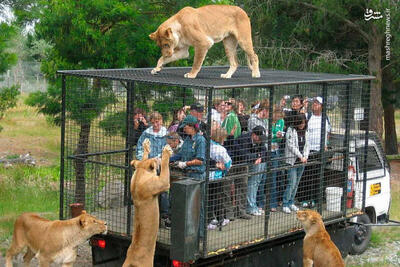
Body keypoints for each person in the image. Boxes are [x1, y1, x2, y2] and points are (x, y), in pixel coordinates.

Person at [171, 115, 207, 235]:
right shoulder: (187, 139)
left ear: (192, 127)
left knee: (197, 206)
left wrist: (185, 164)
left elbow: (200, 160)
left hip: (197, 177)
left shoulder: (200, 140)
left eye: (185, 127)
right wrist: (165, 158)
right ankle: (188, 232)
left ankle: (199, 233)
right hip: (186, 176)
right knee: (186, 205)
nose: (184, 129)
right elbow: (180, 155)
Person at [301, 96, 331, 207]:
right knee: (307, 175)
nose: (315, 105)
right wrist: (304, 105)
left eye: (317, 103)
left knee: (318, 176)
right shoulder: (309, 117)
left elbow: (328, 133)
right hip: (309, 151)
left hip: (320, 151)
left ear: (321, 106)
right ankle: (305, 199)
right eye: (314, 103)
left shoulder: (325, 118)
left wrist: (326, 145)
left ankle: (315, 199)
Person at [233, 126, 267, 216]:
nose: (261, 140)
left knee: (255, 183)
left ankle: (253, 206)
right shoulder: (244, 139)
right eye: (260, 138)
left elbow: (264, 151)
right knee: (249, 185)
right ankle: (250, 207)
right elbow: (244, 155)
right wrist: (256, 156)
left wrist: (259, 157)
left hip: (251, 164)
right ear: (254, 135)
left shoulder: (259, 141)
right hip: (238, 165)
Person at [259, 105, 285, 212]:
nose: (278, 118)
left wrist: (277, 136)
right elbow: (267, 136)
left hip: (275, 151)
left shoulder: (281, 121)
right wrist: (275, 135)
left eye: (280, 117)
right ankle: (260, 202)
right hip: (265, 150)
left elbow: (278, 137)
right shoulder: (266, 121)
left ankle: (272, 203)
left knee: (273, 177)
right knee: (262, 178)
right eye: (277, 116)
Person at [283, 113, 309, 213]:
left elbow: (307, 144)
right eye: (300, 123)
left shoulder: (306, 131)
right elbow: (291, 146)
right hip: (292, 161)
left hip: (302, 162)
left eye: (303, 123)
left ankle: (291, 202)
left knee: (297, 183)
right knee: (292, 182)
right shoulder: (291, 130)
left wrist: (305, 156)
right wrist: (300, 156)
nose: (302, 125)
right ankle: (285, 203)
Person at [207, 124, 232, 230]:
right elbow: (228, 163)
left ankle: (211, 219)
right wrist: (226, 167)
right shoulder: (220, 149)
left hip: (208, 176)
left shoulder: (208, 145)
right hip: (217, 177)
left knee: (209, 198)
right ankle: (219, 219)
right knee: (217, 198)